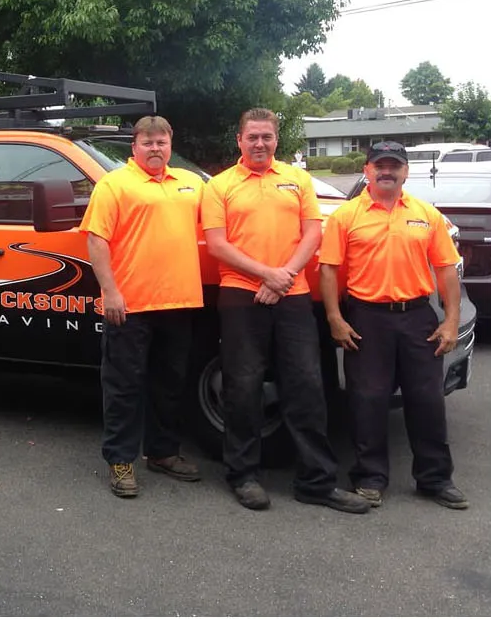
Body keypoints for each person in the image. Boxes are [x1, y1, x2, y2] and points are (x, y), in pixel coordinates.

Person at [200, 108, 369, 514]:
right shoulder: (220, 186)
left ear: (277, 141)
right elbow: (218, 244)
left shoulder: (298, 180)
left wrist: (285, 276)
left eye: (267, 137)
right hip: (241, 294)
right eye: (252, 137)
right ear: (238, 140)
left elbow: (313, 232)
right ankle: (243, 475)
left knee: (307, 386)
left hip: (293, 294)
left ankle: (316, 481)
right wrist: (266, 275)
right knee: (243, 387)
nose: (260, 143)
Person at [318, 140, 468, 510]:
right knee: (367, 401)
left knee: (427, 401)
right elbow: (329, 269)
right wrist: (335, 318)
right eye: (380, 165)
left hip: (418, 317)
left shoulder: (426, 214)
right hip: (367, 317)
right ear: (367, 170)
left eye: (394, 165)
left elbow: (446, 270)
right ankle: (370, 478)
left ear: (405, 171)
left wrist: (450, 321)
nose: (387, 171)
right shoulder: (346, 216)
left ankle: (434, 479)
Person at [81, 116, 205, 498]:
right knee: (123, 387)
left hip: (179, 302)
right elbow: (96, 240)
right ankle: (120, 460)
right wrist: (110, 291)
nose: (155, 148)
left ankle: (163, 453)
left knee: (170, 385)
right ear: (134, 146)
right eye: (148, 142)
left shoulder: (191, 184)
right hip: (129, 306)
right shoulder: (114, 185)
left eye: (162, 142)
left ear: (171, 144)